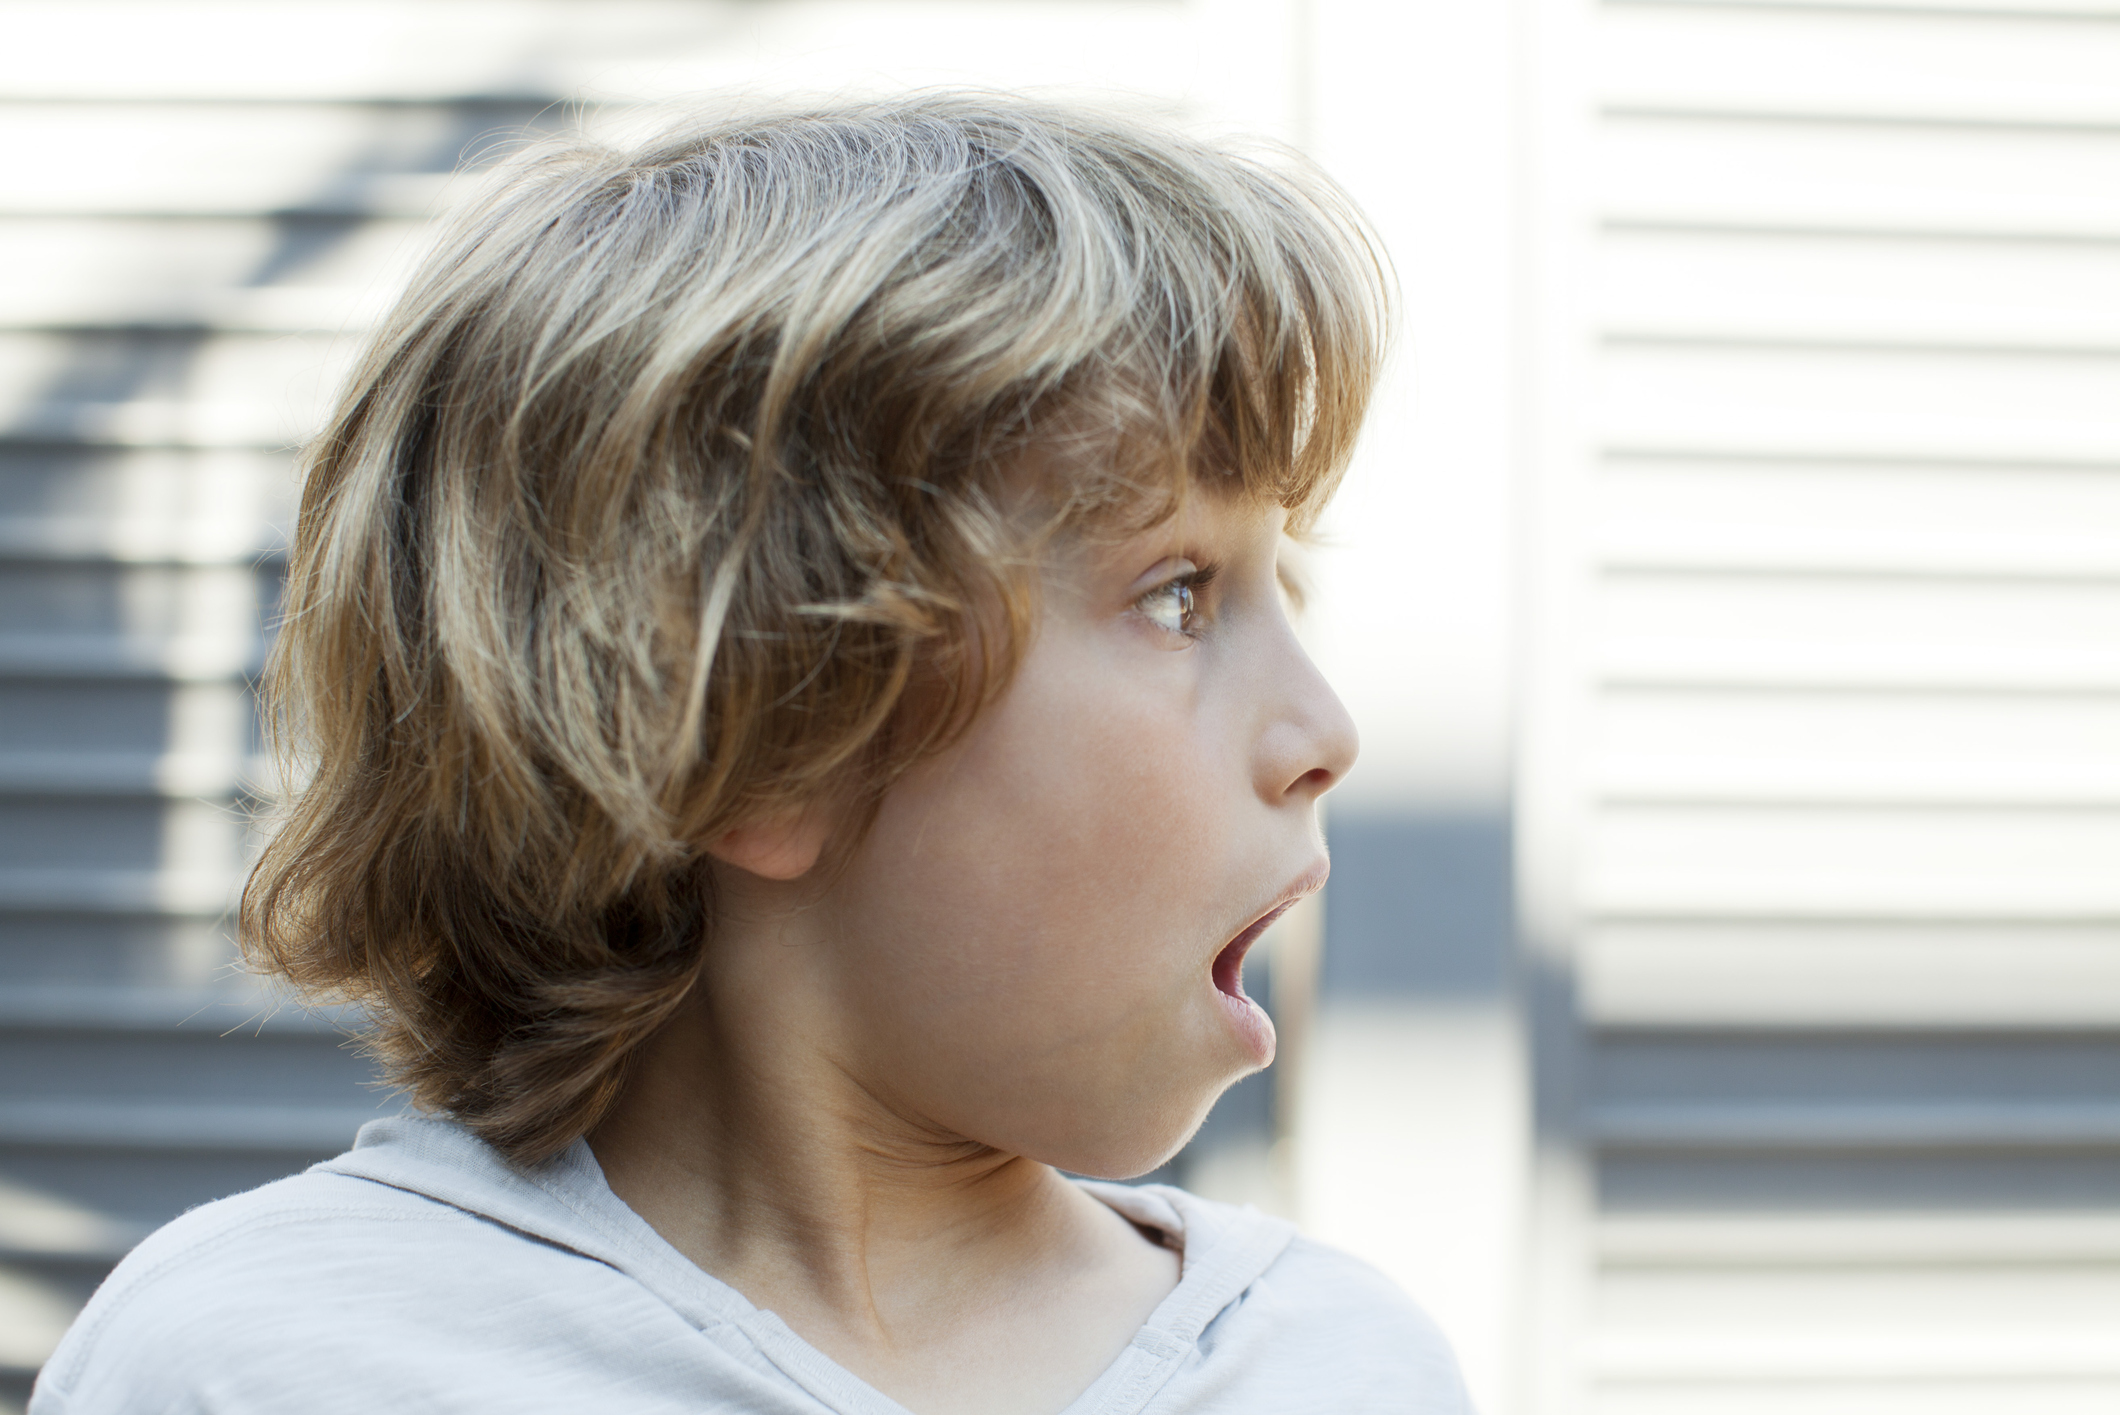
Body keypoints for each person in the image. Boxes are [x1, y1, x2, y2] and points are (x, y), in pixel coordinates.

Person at [32, 94, 1471, 1415]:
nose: (1324, 735)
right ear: (758, 735)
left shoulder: (1333, 1366)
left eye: (1288, 583)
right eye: (1178, 595)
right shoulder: (269, 1366)